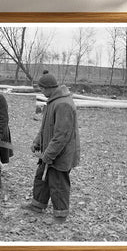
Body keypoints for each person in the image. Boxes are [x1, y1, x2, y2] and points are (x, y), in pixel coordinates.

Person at [24, 71, 80, 223]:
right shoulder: (52, 101)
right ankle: (37, 205)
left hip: (61, 154)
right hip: (49, 151)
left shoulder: (63, 104)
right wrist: (37, 142)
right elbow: (45, 127)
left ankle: (60, 216)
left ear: (49, 88)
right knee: (41, 178)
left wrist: (48, 155)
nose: (40, 91)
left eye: (41, 88)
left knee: (58, 184)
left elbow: (62, 135)